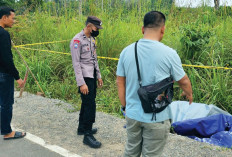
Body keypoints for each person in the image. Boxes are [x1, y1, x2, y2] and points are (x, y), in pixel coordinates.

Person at [116, 11, 193, 157]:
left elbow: (120, 83)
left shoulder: (126, 51)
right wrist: (188, 93)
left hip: (132, 115)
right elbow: (183, 80)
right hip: (157, 117)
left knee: (131, 151)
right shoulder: (169, 53)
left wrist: (126, 107)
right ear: (163, 29)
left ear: (142, 29)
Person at [70, 16, 103, 148]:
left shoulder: (92, 39)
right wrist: (81, 83)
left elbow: (94, 59)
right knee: (90, 105)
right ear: (89, 26)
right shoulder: (77, 40)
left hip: (92, 75)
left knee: (87, 102)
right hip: (84, 77)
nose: (97, 30)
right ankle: (87, 135)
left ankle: (82, 128)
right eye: (96, 28)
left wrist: (99, 75)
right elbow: (76, 63)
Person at [0, 6, 26, 140]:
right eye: (12, 18)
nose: (14, 21)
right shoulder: (3, 34)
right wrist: (18, 77)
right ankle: (7, 131)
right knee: (6, 103)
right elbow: (6, 59)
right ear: (4, 18)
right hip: (4, 75)